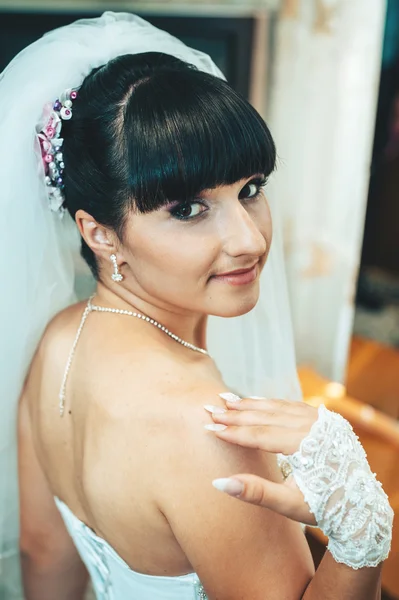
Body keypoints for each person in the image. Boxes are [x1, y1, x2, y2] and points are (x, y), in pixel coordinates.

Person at [0, 12, 392, 600]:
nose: (250, 240)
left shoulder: (60, 340)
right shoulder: (212, 430)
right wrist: (363, 529)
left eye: (250, 190)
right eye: (187, 209)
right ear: (100, 232)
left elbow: (44, 550)